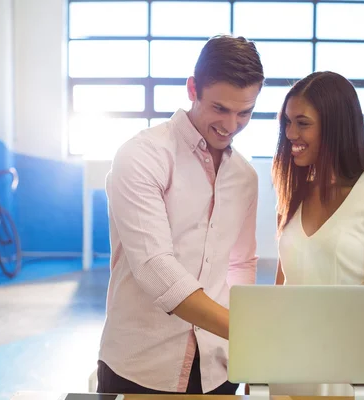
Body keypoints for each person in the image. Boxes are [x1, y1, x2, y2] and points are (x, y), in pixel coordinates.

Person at [96, 35, 264, 395]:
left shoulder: (245, 177)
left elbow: (239, 264)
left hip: (219, 369)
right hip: (141, 366)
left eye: (244, 112)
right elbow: (156, 268)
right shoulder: (142, 156)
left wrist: (243, 347)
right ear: (192, 88)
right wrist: (245, 330)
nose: (231, 125)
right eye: (220, 108)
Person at [270, 71, 364, 396]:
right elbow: (279, 290)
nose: (291, 133)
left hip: (342, 376)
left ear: (335, 125)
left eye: (302, 123)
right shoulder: (293, 193)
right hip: (281, 365)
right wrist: (260, 363)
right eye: (287, 122)